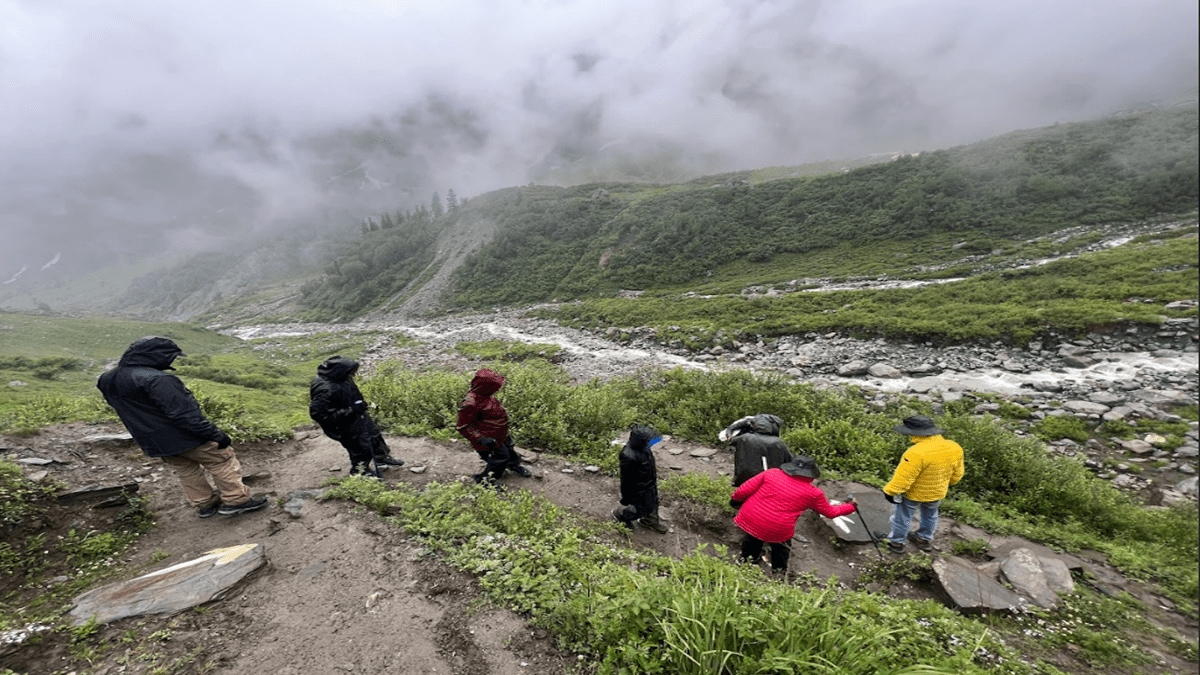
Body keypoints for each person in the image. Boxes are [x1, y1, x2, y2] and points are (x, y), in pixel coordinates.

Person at [97, 336, 267, 518]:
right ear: (157, 356)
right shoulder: (158, 379)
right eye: (170, 357)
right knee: (221, 460)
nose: (171, 361)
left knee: (186, 469)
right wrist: (215, 434)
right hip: (187, 436)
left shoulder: (107, 379)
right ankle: (236, 501)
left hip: (153, 441)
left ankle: (205, 504)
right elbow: (184, 415)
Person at [730, 456, 857, 573]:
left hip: (750, 516)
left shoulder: (771, 473)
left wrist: (734, 502)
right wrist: (851, 507)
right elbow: (830, 512)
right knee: (780, 547)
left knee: (753, 536)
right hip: (777, 527)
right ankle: (778, 572)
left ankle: (746, 561)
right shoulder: (813, 493)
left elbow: (743, 490)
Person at [880, 415, 964, 553]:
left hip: (913, 493)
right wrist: (950, 482)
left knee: (902, 517)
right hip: (937, 491)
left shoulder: (916, 452)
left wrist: (890, 491)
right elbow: (958, 472)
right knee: (930, 515)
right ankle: (924, 539)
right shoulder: (954, 447)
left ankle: (896, 542)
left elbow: (904, 477)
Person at [309, 355, 405, 477]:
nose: (354, 375)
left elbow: (350, 394)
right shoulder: (324, 388)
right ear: (340, 371)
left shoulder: (341, 377)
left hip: (356, 414)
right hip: (341, 424)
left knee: (374, 435)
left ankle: (381, 457)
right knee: (359, 446)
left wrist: (360, 405)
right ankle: (359, 471)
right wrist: (351, 410)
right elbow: (319, 414)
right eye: (352, 372)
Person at [456, 368, 532, 486]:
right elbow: (463, 426)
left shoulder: (486, 394)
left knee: (510, 451)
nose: (497, 389)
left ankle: (514, 466)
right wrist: (481, 438)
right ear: (486, 387)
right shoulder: (470, 403)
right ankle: (486, 481)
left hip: (500, 433)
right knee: (499, 460)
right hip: (489, 439)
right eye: (495, 387)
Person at [611, 425, 668, 533]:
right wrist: (626, 497)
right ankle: (621, 515)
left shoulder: (644, 449)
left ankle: (649, 521)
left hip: (649, 483)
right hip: (638, 488)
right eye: (649, 441)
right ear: (640, 441)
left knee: (653, 503)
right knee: (640, 508)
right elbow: (626, 479)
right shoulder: (628, 456)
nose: (652, 443)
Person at [721, 413, 794, 487]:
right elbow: (790, 460)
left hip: (747, 480)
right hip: (772, 481)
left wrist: (734, 429)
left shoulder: (744, 439)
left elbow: (726, 438)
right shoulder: (778, 442)